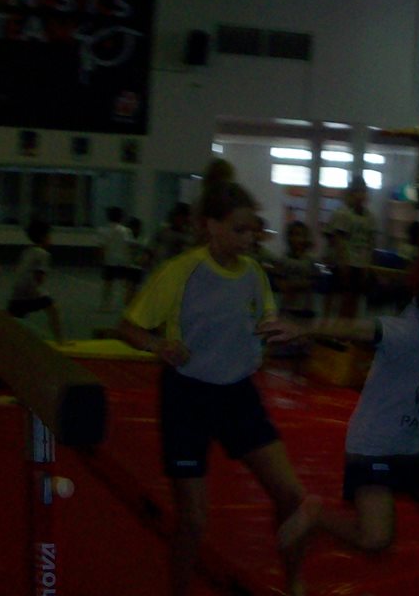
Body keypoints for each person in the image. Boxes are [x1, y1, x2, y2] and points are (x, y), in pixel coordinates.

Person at [268, 252, 419, 596]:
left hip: (413, 447)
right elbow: (360, 329)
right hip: (374, 448)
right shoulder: (409, 331)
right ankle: (316, 514)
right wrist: (305, 326)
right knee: (376, 539)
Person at [116, 182, 311, 596]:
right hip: (187, 397)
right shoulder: (181, 271)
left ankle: (295, 584)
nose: (248, 239)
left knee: (291, 494)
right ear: (212, 226)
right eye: (239, 230)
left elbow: (264, 322)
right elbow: (129, 327)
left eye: (253, 230)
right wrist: (157, 345)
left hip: (238, 395)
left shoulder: (254, 274)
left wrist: (282, 332)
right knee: (193, 519)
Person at [324, 179, 377, 320]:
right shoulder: (342, 213)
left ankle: (348, 326)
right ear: (351, 193)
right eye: (357, 191)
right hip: (344, 263)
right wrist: (342, 262)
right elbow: (337, 239)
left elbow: (370, 242)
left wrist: (367, 264)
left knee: (353, 297)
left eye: (363, 191)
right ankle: (330, 325)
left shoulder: (369, 217)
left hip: (359, 263)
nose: (361, 195)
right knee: (338, 296)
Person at [7, 219, 64, 344]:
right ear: (43, 237)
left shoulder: (27, 251)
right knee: (53, 308)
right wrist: (38, 292)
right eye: (49, 236)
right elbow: (39, 277)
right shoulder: (43, 254)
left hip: (17, 291)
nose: (51, 239)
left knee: (12, 318)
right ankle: (60, 340)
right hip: (29, 291)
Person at [267, 220, 316, 316]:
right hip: (286, 307)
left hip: (305, 308)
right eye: (291, 234)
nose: (294, 238)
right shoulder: (282, 260)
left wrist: (294, 284)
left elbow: (313, 282)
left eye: (298, 235)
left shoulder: (311, 261)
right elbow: (279, 283)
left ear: (306, 238)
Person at [98, 206, 135, 311]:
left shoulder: (103, 230)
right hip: (123, 261)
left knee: (108, 284)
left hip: (109, 261)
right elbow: (130, 246)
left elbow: (102, 247)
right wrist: (130, 259)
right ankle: (127, 304)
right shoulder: (126, 231)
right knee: (125, 284)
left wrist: (101, 259)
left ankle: (106, 305)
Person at [150, 202, 196, 269]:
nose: (178, 219)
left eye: (181, 217)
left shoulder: (187, 238)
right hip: (158, 267)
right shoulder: (163, 231)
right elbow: (152, 249)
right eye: (177, 216)